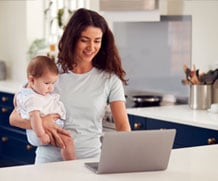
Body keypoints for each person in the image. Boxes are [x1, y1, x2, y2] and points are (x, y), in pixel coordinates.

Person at [9, 8, 131, 163]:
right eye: (84, 40)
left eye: (97, 41)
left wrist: (128, 161)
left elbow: (122, 126)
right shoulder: (49, 74)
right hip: (49, 163)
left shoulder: (109, 80)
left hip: (91, 162)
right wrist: (40, 123)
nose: (91, 47)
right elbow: (14, 118)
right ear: (72, 39)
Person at [14, 56, 76, 161]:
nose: (51, 88)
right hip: (40, 131)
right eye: (47, 83)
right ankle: (71, 165)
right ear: (32, 80)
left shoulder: (26, 91)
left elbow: (16, 102)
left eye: (53, 83)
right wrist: (41, 135)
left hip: (40, 129)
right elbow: (34, 117)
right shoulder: (33, 99)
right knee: (67, 141)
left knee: (66, 140)